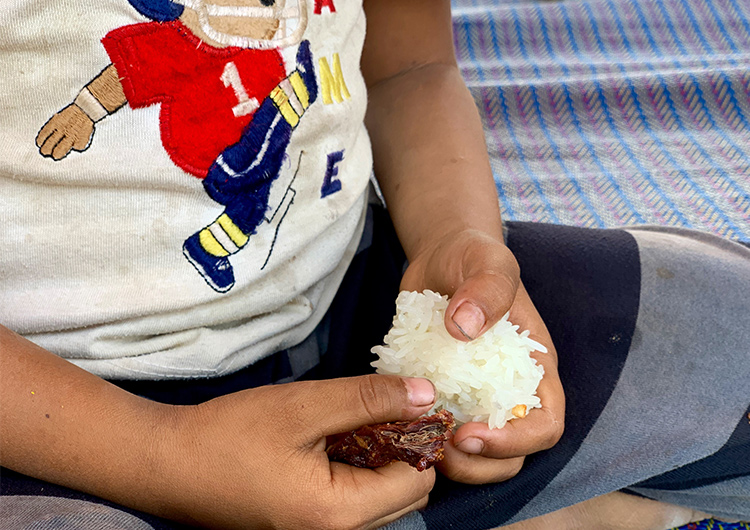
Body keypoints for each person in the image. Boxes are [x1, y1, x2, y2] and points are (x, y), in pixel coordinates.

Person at [1, 0, 748, 529]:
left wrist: (456, 237)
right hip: (49, 418)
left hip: (354, 301)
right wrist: (162, 459)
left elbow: (410, 67)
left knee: (725, 325)